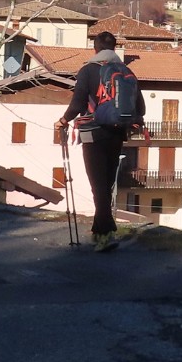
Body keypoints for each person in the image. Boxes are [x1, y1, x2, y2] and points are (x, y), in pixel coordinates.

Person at [56, 31, 145, 249]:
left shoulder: (87, 71)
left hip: (92, 133)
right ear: (114, 48)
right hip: (117, 133)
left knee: (98, 185)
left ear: (95, 49)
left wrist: (63, 121)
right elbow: (140, 108)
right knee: (106, 183)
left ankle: (105, 235)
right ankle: (99, 232)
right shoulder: (126, 71)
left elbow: (77, 104)